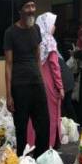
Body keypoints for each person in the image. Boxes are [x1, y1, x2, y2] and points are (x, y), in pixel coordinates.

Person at [4, 0, 50, 158]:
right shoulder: (10, 33)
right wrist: (9, 95)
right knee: (21, 128)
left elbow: (38, 58)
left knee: (43, 125)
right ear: (20, 10)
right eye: (27, 6)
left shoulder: (36, 29)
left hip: (36, 85)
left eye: (33, 5)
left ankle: (41, 161)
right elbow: (8, 65)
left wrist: (41, 81)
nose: (31, 9)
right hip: (20, 87)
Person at [26, 12, 64, 149]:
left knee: (33, 116)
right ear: (47, 25)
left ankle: (31, 144)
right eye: (53, 24)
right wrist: (60, 87)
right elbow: (55, 66)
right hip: (49, 86)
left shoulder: (33, 40)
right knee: (50, 115)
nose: (55, 27)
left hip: (34, 82)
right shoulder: (49, 41)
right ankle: (49, 145)